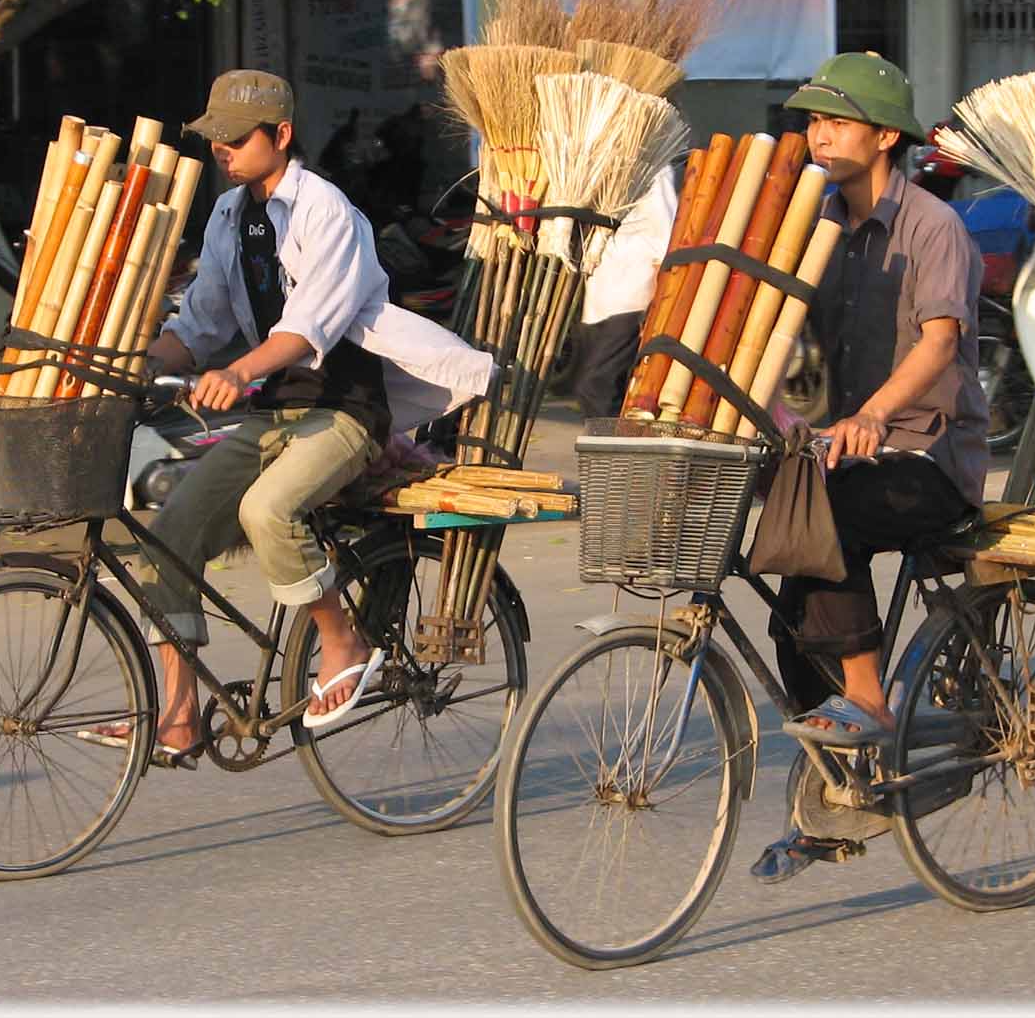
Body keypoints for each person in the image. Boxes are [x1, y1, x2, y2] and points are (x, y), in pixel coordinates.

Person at [76, 70, 492, 768]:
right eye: (216, 140)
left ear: (282, 136)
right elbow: (201, 321)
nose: (224, 152)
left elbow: (308, 327)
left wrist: (239, 373)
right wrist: (138, 362)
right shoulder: (230, 216)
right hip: (276, 413)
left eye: (238, 139)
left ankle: (343, 639)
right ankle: (177, 719)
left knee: (269, 510)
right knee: (171, 533)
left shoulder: (329, 212)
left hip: (344, 412)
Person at [748, 52, 989, 883]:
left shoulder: (932, 224)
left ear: (886, 135)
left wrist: (875, 413)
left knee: (833, 520)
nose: (820, 133)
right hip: (848, 449)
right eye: (813, 119)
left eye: (838, 120)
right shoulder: (818, 223)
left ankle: (874, 704)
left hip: (929, 455)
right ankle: (837, 798)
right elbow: (768, 316)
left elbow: (940, 341)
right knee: (786, 596)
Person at [571, 164, 678, 418]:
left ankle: (607, 453)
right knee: (602, 388)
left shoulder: (653, 170)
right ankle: (614, 451)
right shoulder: (598, 166)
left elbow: (665, 237)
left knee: (596, 386)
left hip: (631, 295)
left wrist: (660, 300)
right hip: (599, 298)